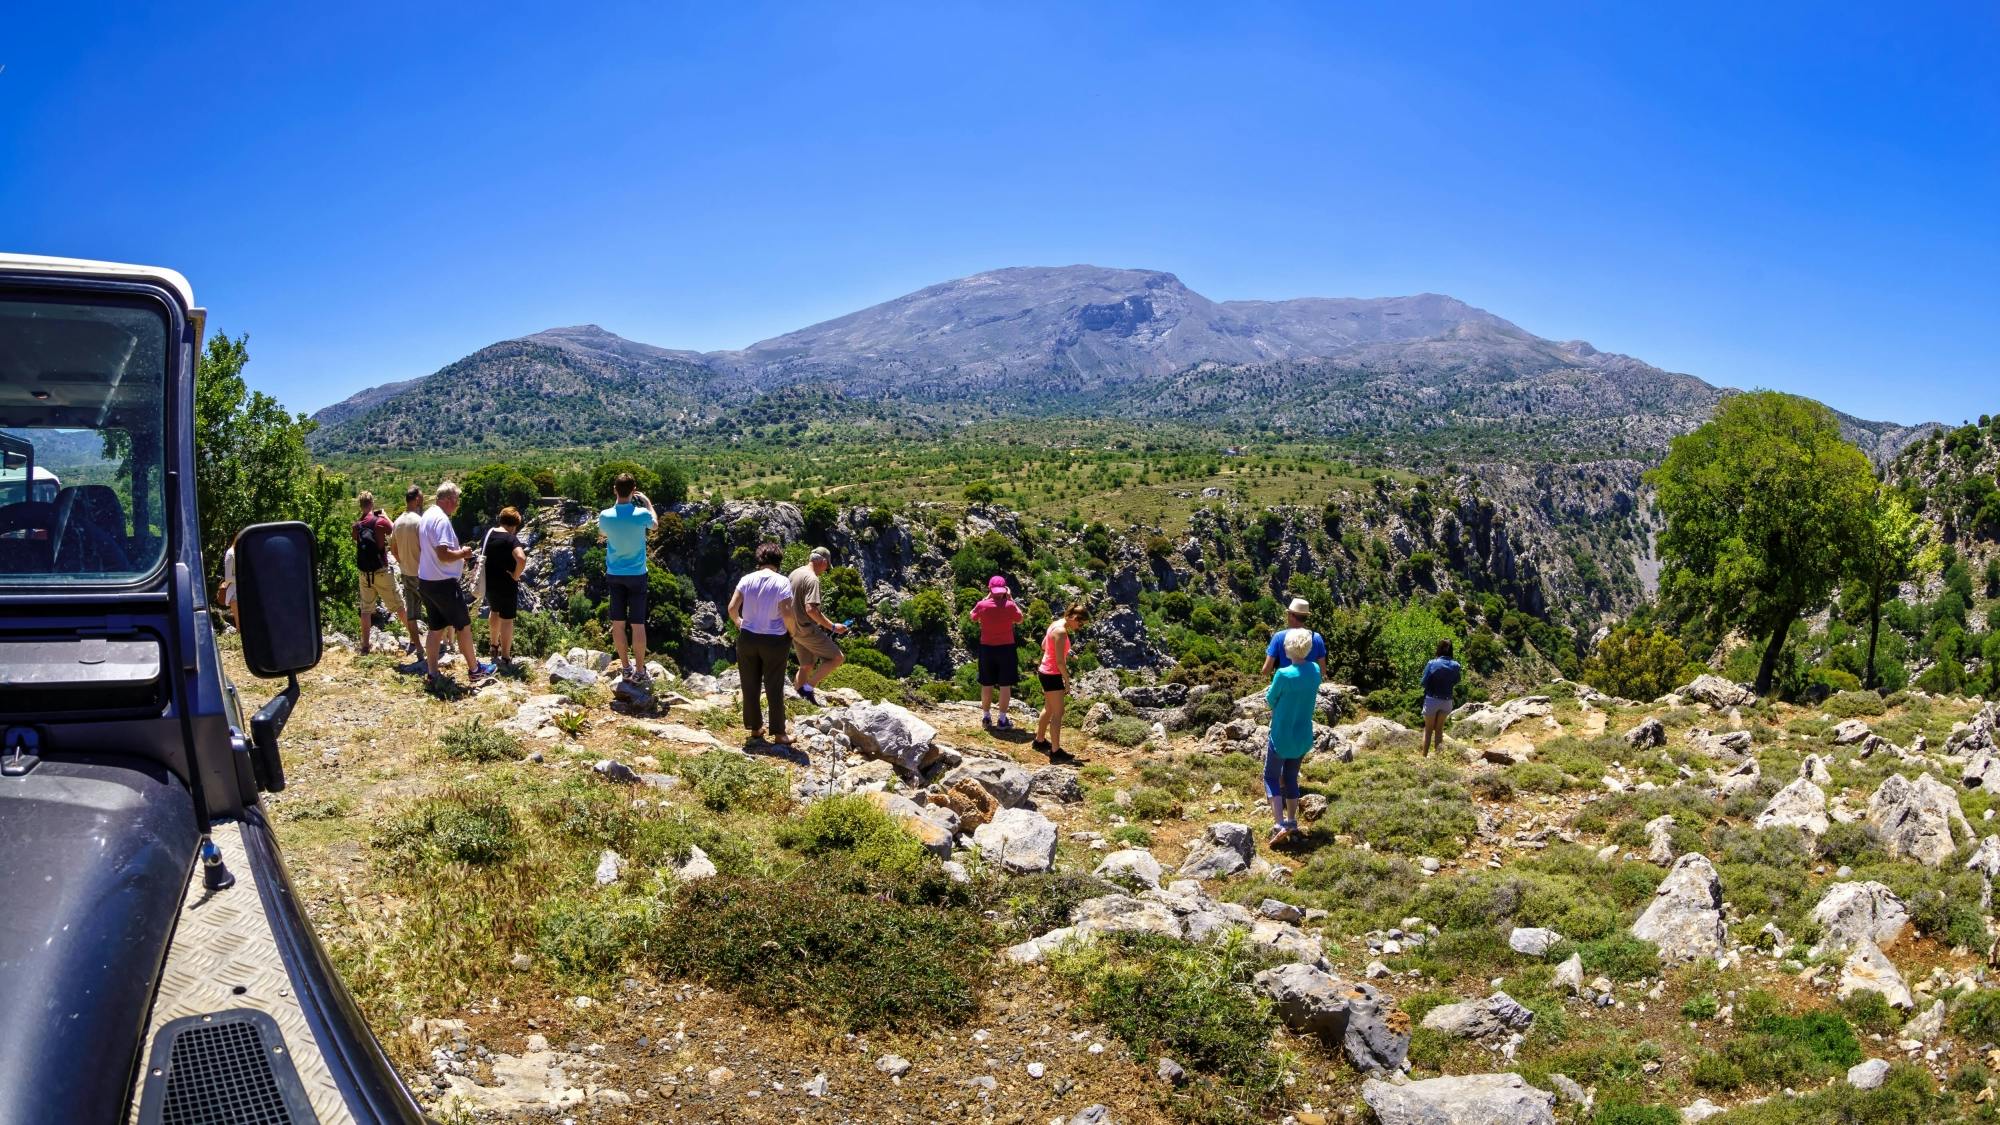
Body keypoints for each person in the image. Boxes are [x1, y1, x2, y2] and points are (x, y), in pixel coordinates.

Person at [417, 481, 495, 688]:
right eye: (457, 501)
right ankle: (475, 670)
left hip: (426, 580)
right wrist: (463, 553)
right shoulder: (442, 520)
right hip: (444, 583)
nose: (457, 505)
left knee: (435, 629)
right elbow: (443, 554)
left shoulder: (427, 515)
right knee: (464, 626)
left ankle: (432, 673)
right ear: (450, 500)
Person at [729, 542, 795, 745]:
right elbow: (786, 612)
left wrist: (740, 624)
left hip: (748, 637)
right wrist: (791, 633)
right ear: (778, 561)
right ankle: (779, 733)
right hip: (774, 639)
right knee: (774, 686)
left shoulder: (746, 579)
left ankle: (755, 728)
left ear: (759, 560)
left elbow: (732, 608)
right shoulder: (782, 582)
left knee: (749, 684)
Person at [1264, 628, 1323, 846]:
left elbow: (1270, 700)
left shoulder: (1283, 674)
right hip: (1302, 736)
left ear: (1288, 648)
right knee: (1291, 778)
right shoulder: (1315, 670)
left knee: (1271, 777)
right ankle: (1291, 821)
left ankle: (1278, 824)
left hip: (1281, 735)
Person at [598, 473, 657, 682]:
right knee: (638, 624)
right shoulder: (641, 513)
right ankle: (640, 671)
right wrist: (649, 504)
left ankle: (625, 668)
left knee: (618, 623)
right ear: (634, 491)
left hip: (615, 574)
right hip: (638, 575)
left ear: (615, 490)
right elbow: (655, 525)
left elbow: (603, 534)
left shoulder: (605, 515)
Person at [787, 546, 849, 703]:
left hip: (792, 628)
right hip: (805, 629)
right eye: (827, 565)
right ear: (822, 561)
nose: (826, 569)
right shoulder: (812, 579)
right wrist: (833, 627)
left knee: (807, 664)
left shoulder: (794, 573)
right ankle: (807, 688)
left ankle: (798, 698)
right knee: (837, 658)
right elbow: (811, 609)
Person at [1032, 602, 1088, 759]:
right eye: (1080, 623)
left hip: (1044, 670)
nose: (1080, 627)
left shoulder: (1055, 624)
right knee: (1058, 713)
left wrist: (1067, 651)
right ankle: (1056, 751)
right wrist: (1067, 681)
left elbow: (1044, 645)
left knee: (1049, 709)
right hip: (1052, 674)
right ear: (1073, 617)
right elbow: (1060, 662)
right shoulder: (1062, 632)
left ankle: (1039, 740)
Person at [352, 492, 405, 656]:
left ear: (360, 505)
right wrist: (386, 516)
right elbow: (395, 530)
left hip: (364, 574)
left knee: (366, 610)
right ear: (372, 503)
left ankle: (365, 646)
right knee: (399, 606)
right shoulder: (379, 521)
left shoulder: (357, 525)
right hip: (381, 571)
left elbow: (356, 540)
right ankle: (415, 640)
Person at [971, 575, 1025, 728]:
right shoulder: (1009, 605)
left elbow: (972, 616)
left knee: (986, 684)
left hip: (986, 649)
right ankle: (1002, 719)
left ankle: (986, 718)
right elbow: (1020, 619)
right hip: (1006, 649)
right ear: (1004, 590)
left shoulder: (983, 605)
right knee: (1005, 686)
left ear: (990, 589)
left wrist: (986, 598)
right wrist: (1011, 599)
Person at [483, 506, 528, 668]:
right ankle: (506, 657)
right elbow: (521, 558)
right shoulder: (510, 539)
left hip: (489, 583)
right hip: (506, 584)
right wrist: (516, 575)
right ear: (514, 525)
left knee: (494, 611)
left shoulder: (489, 534)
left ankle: (493, 645)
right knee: (507, 620)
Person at [389, 485, 427, 655]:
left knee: (411, 613)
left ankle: (418, 647)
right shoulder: (419, 522)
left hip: (406, 573)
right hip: (423, 574)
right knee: (434, 609)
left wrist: (403, 562)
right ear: (417, 500)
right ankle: (439, 645)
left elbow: (393, 549)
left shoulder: (397, 522)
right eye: (422, 496)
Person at [1262, 597, 1327, 676]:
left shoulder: (1278, 637)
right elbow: (1323, 671)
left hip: (1285, 684)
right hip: (1309, 686)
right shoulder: (1317, 637)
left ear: (1291, 616)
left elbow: (1266, 671)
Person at [1420, 639, 1463, 757]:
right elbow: (1457, 680)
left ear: (1438, 648)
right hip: (1447, 700)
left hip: (1432, 699)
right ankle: (1439, 758)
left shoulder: (1432, 663)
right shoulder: (1456, 665)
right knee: (1439, 730)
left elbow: (1423, 682)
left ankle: (1424, 757)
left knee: (1428, 730)